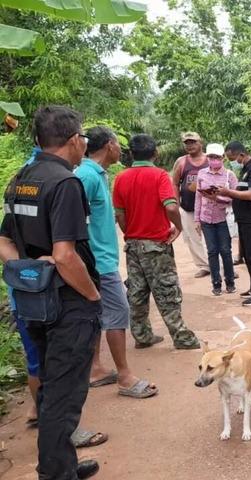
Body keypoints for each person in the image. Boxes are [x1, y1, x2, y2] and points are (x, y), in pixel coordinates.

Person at [0, 106, 102, 479]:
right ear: (74, 140)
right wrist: (92, 297)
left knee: (50, 387)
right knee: (64, 395)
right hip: (68, 304)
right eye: (83, 138)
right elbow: (65, 256)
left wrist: (30, 271)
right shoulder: (65, 184)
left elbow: (4, 241)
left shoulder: (21, 179)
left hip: (34, 301)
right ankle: (57, 474)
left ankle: (60, 465)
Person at [77, 127, 158, 399]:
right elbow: (73, 218)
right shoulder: (87, 176)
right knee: (118, 312)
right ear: (109, 145)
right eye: (116, 143)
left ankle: (95, 369)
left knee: (98, 315)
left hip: (99, 258)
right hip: (98, 261)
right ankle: (125, 377)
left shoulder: (97, 174)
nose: (120, 149)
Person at [114, 134, 201, 350]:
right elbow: (171, 207)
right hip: (156, 244)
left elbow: (120, 215)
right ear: (156, 153)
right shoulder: (160, 175)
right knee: (167, 291)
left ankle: (142, 335)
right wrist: (179, 226)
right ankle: (182, 338)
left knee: (137, 291)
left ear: (131, 154)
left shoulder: (121, 178)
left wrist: (131, 233)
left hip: (133, 245)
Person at [218, 141, 251, 306]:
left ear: (241, 154)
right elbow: (242, 192)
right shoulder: (246, 170)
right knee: (248, 256)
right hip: (245, 220)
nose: (232, 162)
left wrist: (228, 192)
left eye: (232, 158)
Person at [195, 143, 238, 296]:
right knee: (212, 251)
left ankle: (230, 281)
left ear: (222, 158)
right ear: (207, 158)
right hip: (206, 218)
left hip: (223, 218)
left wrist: (218, 198)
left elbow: (236, 197)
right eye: (211, 157)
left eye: (217, 157)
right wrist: (197, 219)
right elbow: (198, 198)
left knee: (225, 251)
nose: (214, 160)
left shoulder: (229, 175)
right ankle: (216, 283)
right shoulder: (202, 174)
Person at [172, 131, 210, 278]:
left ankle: (222, 266)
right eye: (187, 143)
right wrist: (176, 203)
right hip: (188, 207)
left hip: (209, 207)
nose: (190, 145)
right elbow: (175, 183)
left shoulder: (210, 159)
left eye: (193, 142)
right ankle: (204, 266)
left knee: (214, 237)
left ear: (200, 142)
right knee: (193, 238)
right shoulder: (181, 162)